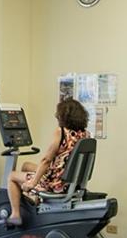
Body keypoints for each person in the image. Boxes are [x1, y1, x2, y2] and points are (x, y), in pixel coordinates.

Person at [6, 97, 90, 226]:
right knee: (26, 165)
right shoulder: (85, 134)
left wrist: (32, 183)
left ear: (63, 116)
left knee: (11, 176)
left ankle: (15, 215)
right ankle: (34, 199)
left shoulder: (61, 132)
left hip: (55, 183)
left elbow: (46, 160)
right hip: (70, 179)